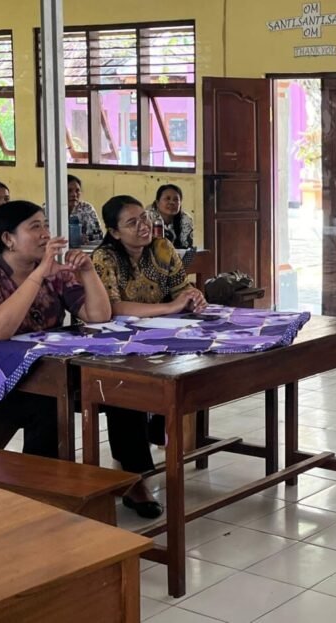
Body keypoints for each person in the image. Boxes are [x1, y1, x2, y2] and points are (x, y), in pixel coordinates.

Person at [0, 201, 110, 459]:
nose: (45, 234)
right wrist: (38, 275)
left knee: (118, 392)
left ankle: (132, 479)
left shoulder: (55, 275)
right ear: (8, 239)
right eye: (35, 227)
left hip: (47, 371)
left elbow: (98, 316)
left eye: (46, 226)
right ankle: (40, 489)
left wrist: (88, 271)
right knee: (48, 405)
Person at [92, 195, 206, 518]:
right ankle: (137, 480)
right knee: (124, 391)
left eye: (143, 218)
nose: (143, 226)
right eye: (132, 223)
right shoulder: (105, 258)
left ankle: (156, 440)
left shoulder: (162, 247)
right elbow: (112, 308)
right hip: (115, 346)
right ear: (114, 232)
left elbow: (179, 288)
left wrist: (192, 297)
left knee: (192, 371)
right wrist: (169, 308)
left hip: (161, 338)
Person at [147, 184, 194, 249]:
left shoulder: (185, 219)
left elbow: (186, 247)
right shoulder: (147, 218)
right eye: (167, 199)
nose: (172, 202)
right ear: (157, 203)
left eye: (176, 199)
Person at [66, 174, 104, 244]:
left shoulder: (86, 208)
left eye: (77, 191)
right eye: (69, 191)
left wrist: (85, 238)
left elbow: (98, 236)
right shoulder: (50, 208)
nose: (74, 194)